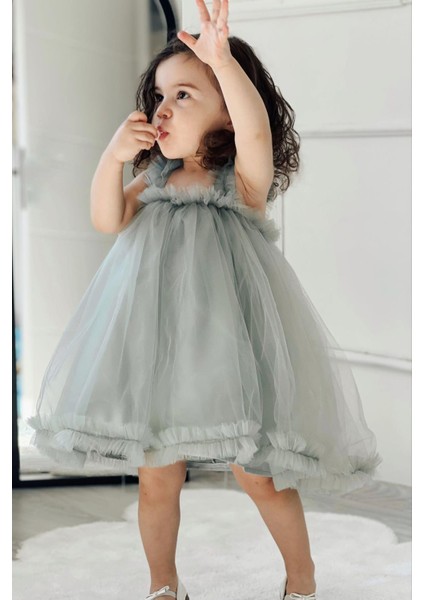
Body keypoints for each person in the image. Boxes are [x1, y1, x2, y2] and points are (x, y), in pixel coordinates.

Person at [27, 1, 382, 599]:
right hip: (156, 352)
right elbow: (107, 219)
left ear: (226, 112)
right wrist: (113, 157)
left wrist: (222, 59)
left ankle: (302, 581)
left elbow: (256, 128)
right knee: (156, 479)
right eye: (159, 97)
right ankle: (163, 586)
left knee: (260, 476)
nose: (163, 109)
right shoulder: (155, 179)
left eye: (185, 95)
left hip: (229, 356)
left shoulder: (241, 181)